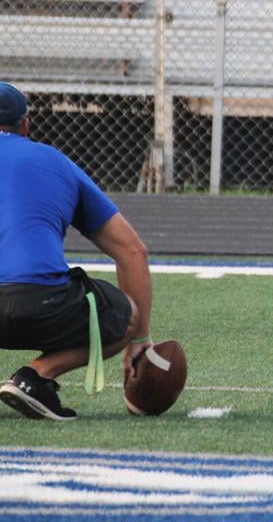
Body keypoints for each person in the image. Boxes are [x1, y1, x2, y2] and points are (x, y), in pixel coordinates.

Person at [0, 83, 154, 420]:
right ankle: (36, 376)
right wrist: (139, 337)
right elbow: (132, 251)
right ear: (26, 127)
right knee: (125, 314)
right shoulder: (54, 161)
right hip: (40, 303)